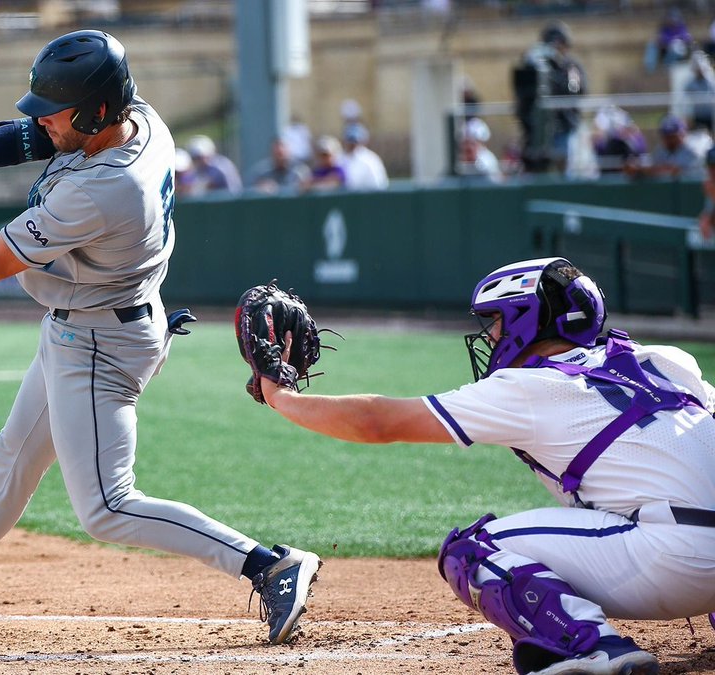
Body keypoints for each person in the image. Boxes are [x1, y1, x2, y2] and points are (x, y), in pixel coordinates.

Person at [0, 29, 321, 645]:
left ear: (97, 112)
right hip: (87, 323)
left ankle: (268, 565)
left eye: (58, 112)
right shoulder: (136, 118)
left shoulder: (106, 188)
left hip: (100, 342)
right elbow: (26, 136)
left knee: (108, 508)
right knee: (11, 459)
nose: (45, 124)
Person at [255, 256, 715, 675]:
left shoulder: (528, 387)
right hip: (691, 558)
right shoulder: (662, 361)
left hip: (677, 562)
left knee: (472, 551)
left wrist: (282, 397)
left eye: (495, 322)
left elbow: (378, 421)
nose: (489, 335)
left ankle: (595, 649)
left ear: (525, 320)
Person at [515, 22, 587, 174]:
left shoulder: (571, 66)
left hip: (564, 125)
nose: (555, 48)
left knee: (564, 169)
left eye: (559, 43)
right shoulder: (536, 64)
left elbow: (576, 90)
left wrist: (558, 73)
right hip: (537, 127)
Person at [627, 113, 704, 179]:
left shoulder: (693, 149)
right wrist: (637, 166)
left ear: (683, 134)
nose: (670, 140)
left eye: (673, 136)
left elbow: (675, 171)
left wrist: (645, 170)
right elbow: (651, 163)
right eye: (666, 136)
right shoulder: (662, 149)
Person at [246, 137, 311, 195]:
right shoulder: (260, 172)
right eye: (277, 154)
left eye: (283, 153)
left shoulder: (301, 170)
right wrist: (259, 189)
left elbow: (311, 188)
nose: (280, 157)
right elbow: (245, 191)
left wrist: (302, 187)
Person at [339, 123, 389, 191]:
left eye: (355, 141)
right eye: (350, 141)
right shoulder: (339, 157)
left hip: (366, 198)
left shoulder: (370, 159)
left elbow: (379, 185)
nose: (352, 144)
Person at [456, 118, 503, 183]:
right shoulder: (459, 162)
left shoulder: (487, 160)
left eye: (472, 143)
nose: (468, 147)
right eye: (465, 143)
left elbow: (496, 182)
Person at [698, 147, 715, 239]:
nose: (713, 171)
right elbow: (707, 214)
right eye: (711, 166)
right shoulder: (710, 185)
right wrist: (705, 218)